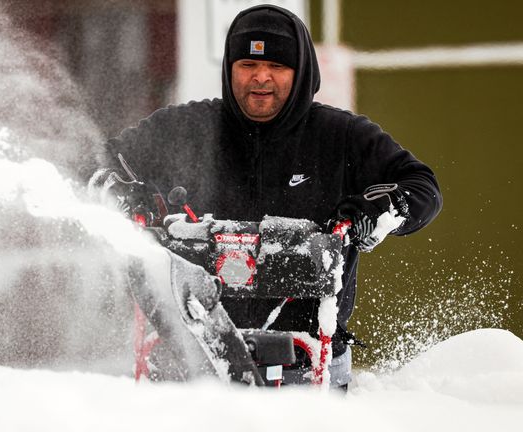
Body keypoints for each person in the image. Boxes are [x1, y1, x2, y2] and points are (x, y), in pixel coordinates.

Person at [90, 4, 442, 387]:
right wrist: (122, 193)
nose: (260, 77)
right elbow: (94, 162)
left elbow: (420, 186)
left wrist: (377, 211)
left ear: (301, 71)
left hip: (307, 372)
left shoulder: (340, 137)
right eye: (247, 65)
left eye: (277, 66)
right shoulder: (185, 129)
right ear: (229, 70)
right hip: (184, 377)